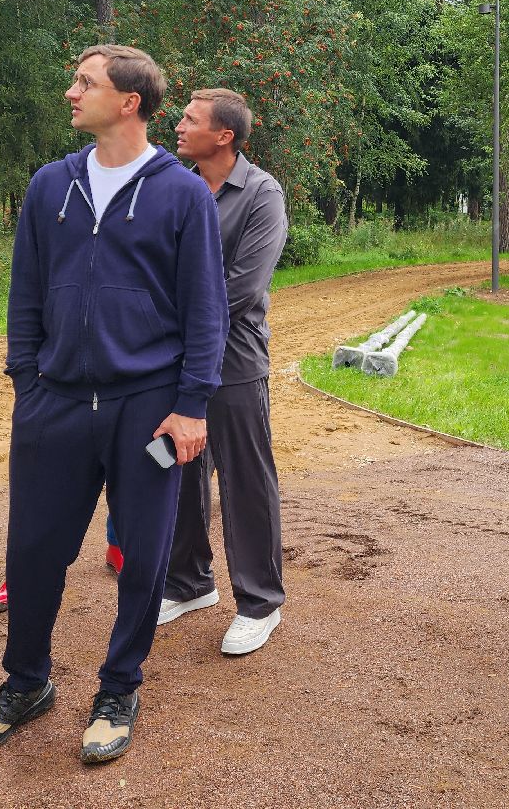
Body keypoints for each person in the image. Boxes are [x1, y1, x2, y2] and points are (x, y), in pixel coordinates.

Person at [0, 45, 228, 765]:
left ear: (130, 101)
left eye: (86, 82)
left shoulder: (182, 193)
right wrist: (27, 384)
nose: (71, 92)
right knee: (35, 550)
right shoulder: (50, 185)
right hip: (55, 403)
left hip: (149, 407)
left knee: (143, 559)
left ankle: (118, 689)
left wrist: (192, 405)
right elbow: (26, 294)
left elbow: (208, 309)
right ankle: (25, 683)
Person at [158, 87, 288, 655]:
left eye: (191, 119)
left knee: (245, 480)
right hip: (178, 362)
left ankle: (259, 602)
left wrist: (168, 317)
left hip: (234, 362)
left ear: (224, 136)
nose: (179, 125)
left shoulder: (262, 194)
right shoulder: (180, 189)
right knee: (179, 470)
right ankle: (189, 583)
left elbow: (243, 285)